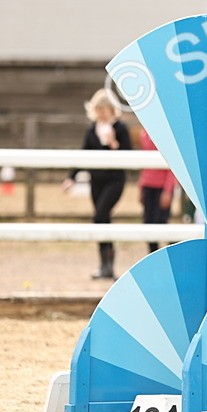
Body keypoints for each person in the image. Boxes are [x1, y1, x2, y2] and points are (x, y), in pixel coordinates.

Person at [63, 89, 132, 279]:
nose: (100, 114)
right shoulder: (92, 129)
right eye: (98, 110)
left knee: (100, 215)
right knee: (103, 219)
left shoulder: (120, 128)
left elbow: (129, 154)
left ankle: (108, 264)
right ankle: (105, 265)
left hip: (114, 180)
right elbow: (84, 153)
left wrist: (113, 144)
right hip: (96, 181)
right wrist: (72, 177)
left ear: (110, 109)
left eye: (103, 110)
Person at [137, 128, 177, 254]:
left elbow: (172, 164)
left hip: (162, 186)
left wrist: (168, 190)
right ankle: (153, 255)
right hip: (148, 185)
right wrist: (141, 186)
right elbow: (144, 162)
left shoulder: (165, 134)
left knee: (161, 221)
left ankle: (175, 251)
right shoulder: (143, 134)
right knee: (148, 223)